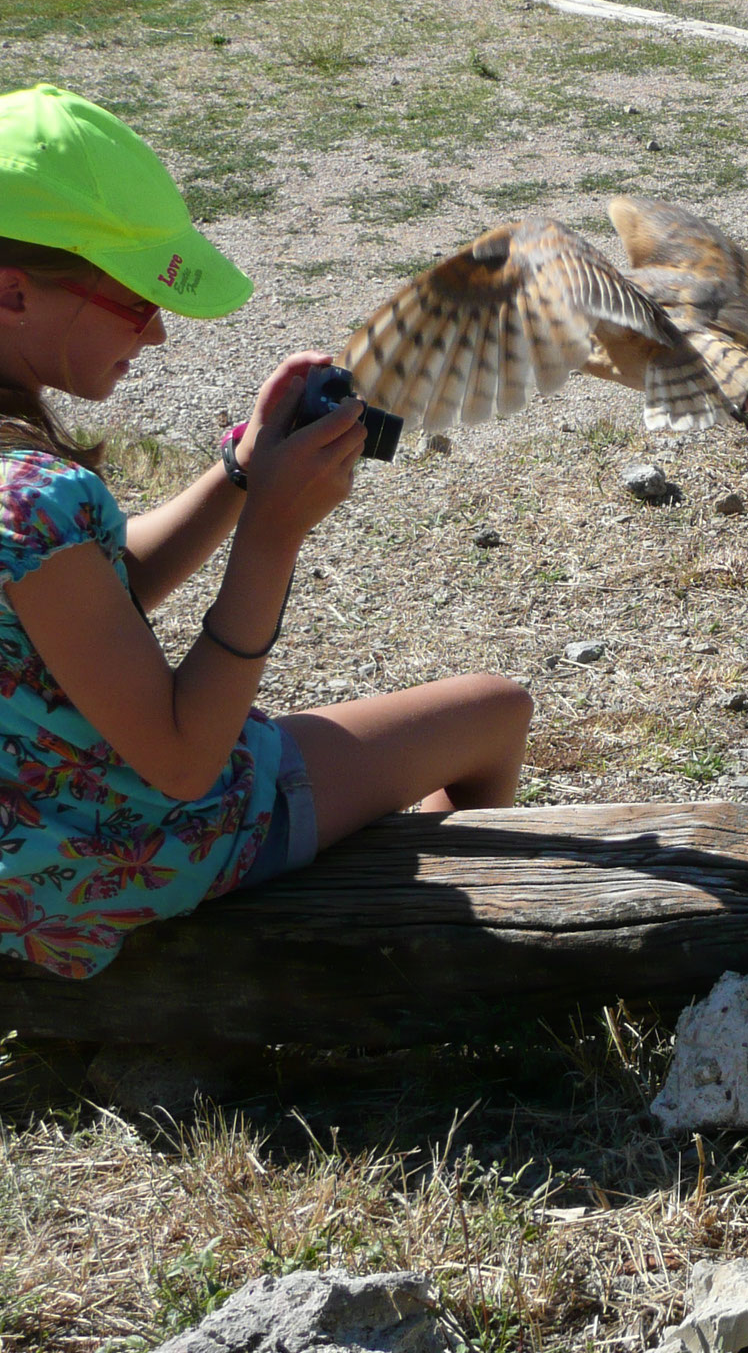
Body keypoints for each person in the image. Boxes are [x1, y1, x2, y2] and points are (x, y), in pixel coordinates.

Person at [0, 84, 532, 979]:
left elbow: (82, 603)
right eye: (136, 299)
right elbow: (179, 761)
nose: (162, 332)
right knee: (494, 712)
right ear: (13, 292)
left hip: (24, 833)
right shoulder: (34, 497)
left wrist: (242, 472)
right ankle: (422, 967)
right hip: (107, 857)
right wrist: (272, 537)